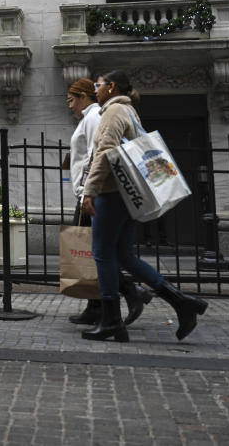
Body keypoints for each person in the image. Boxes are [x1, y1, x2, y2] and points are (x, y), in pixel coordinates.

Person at [80, 70, 208, 342]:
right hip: (126, 196)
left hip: (111, 193)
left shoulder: (113, 111)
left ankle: (112, 320)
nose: (96, 89)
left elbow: (106, 151)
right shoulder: (130, 111)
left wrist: (89, 191)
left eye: (98, 84)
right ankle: (181, 302)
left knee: (102, 254)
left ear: (111, 87)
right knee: (125, 256)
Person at [63, 78, 151, 327]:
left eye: (71, 100)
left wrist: (86, 191)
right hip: (88, 192)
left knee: (95, 253)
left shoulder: (93, 118)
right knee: (93, 253)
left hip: (90, 195)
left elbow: (96, 155)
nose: (70, 106)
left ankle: (132, 293)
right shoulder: (89, 117)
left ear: (82, 96)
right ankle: (96, 306)